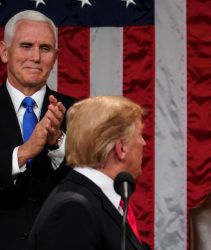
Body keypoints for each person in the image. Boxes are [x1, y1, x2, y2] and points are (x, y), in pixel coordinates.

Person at [27, 96, 150, 250]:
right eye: (139, 135)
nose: (143, 143)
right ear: (121, 148)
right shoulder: (73, 210)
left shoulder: (94, 199)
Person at [0, 10, 77, 250]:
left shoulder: (79, 112)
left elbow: (90, 186)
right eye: (26, 46)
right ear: (4, 51)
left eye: (45, 48)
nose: (35, 56)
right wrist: (21, 154)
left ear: (55, 56)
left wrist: (58, 145)